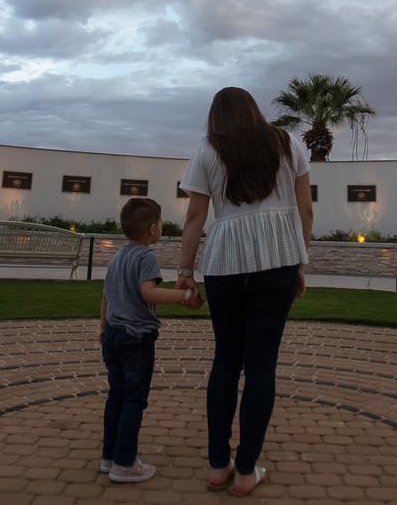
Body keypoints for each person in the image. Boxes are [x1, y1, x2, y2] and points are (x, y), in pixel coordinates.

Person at [176, 87, 313, 497]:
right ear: (254, 110)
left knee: (226, 360)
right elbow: (306, 209)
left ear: (215, 117)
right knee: (261, 364)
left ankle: (218, 466)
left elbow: (196, 216)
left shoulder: (206, 149)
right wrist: (299, 261)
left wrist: (184, 271)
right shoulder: (287, 142)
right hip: (280, 260)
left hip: (225, 263)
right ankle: (247, 469)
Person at [99, 197, 202, 483]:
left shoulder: (118, 256)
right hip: (136, 340)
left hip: (113, 336)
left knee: (116, 398)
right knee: (134, 401)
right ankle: (125, 463)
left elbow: (106, 295)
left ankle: (108, 457)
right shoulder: (145, 257)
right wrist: (184, 296)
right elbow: (149, 293)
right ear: (153, 229)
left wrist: (102, 328)